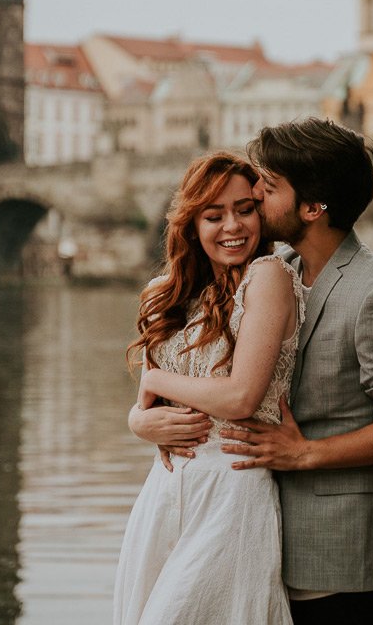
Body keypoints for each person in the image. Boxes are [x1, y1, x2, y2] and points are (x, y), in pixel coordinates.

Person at [217, 118, 373, 625]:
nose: (254, 193)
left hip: (342, 554)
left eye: (269, 185)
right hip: (268, 538)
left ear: (313, 208)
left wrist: (305, 453)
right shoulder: (281, 273)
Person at [113, 151, 305, 625]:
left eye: (244, 209)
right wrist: (138, 423)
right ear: (191, 223)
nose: (232, 226)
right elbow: (151, 408)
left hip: (231, 488)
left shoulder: (269, 276)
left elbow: (241, 397)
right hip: (165, 490)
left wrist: (154, 380)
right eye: (213, 215)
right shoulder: (167, 291)